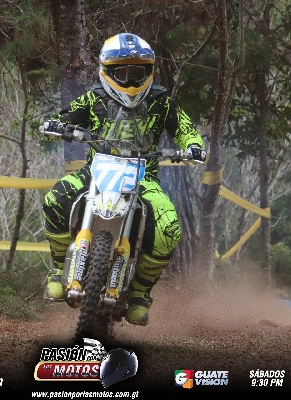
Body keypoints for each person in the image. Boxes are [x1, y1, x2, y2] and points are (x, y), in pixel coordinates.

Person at [41, 33, 206, 326]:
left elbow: (185, 129)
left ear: (148, 72)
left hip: (144, 177)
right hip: (96, 171)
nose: (130, 80)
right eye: (123, 72)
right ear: (107, 71)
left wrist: (193, 146)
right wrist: (57, 125)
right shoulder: (93, 97)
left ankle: (140, 294)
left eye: (137, 73)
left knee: (168, 226)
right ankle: (57, 270)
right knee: (56, 198)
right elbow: (66, 117)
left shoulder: (161, 102)